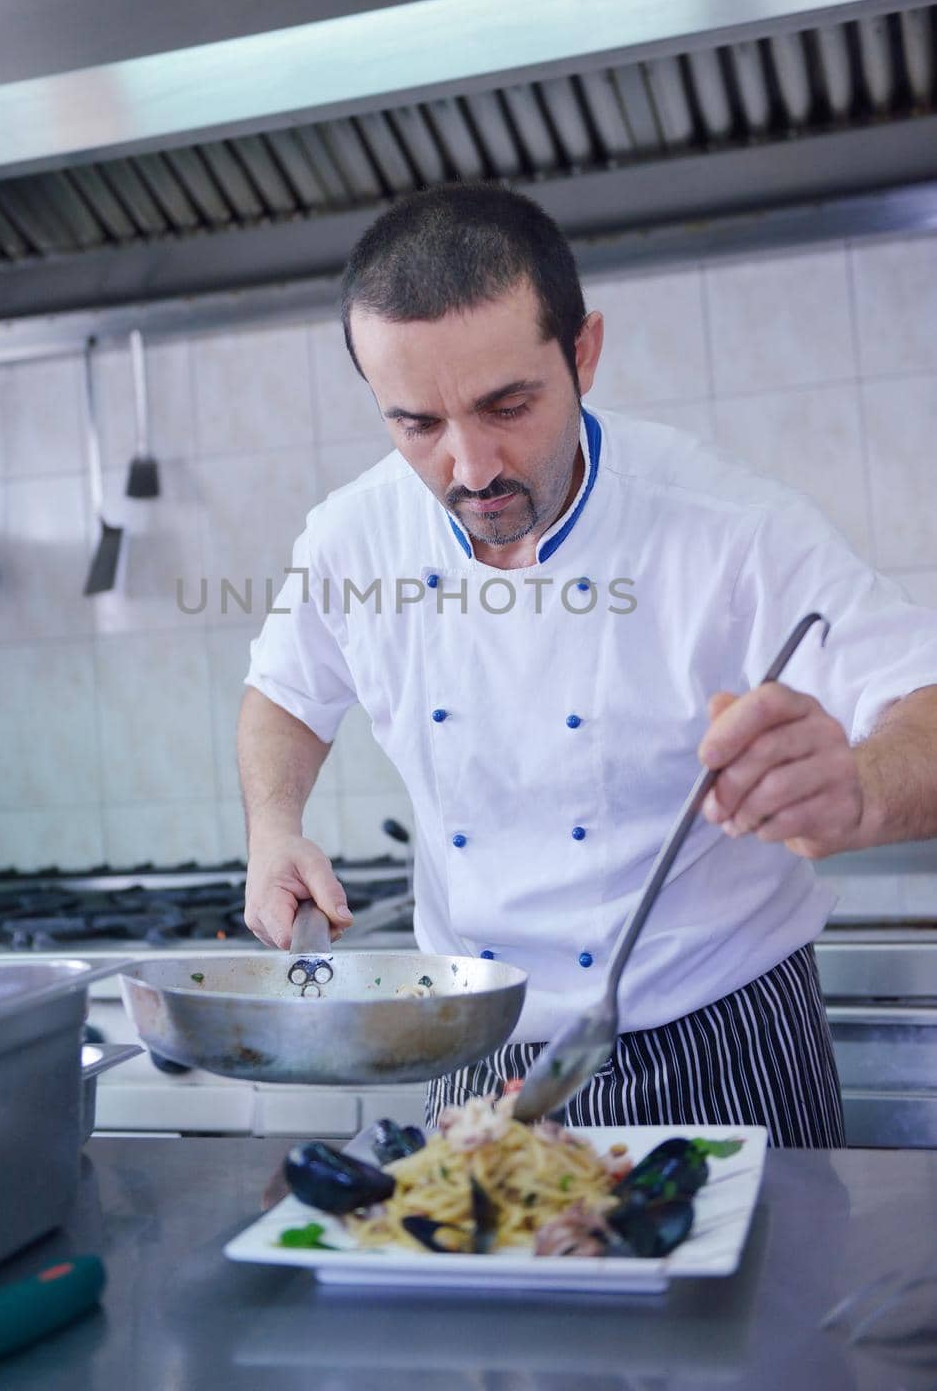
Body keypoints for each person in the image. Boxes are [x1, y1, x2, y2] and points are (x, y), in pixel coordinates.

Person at [238, 183, 937, 1147]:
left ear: (585, 353)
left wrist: (855, 790)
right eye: (419, 427)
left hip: (722, 1039)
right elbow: (285, 693)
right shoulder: (353, 536)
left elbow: (924, 701)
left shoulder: (727, 528)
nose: (472, 466)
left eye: (508, 405)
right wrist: (274, 826)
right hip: (477, 1044)